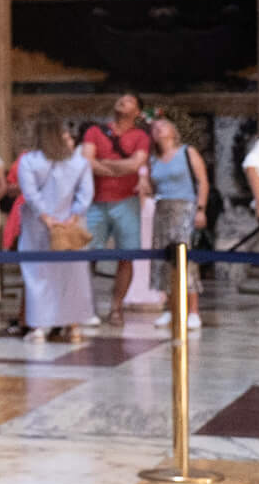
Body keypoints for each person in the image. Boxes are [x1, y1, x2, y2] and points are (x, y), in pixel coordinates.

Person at [16, 115, 94, 343]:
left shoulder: (29, 161)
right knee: (72, 276)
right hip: (70, 225)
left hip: (39, 227)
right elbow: (86, 193)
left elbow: (30, 194)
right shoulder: (79, 163)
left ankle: (38, 326)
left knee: (38, 275)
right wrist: (73, 216)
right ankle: (74, 326)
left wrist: (46, 217)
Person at [79, 93, 152, 324]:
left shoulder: (141, 136)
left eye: (129, 100)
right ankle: (86, 307)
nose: (122, 101)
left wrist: (107, 164)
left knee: (126, 256)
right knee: (87, 256)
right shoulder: (95, 132)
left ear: (138, 112)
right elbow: (86, 161)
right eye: (121, 99)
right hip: (95, 201)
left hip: (126, 201)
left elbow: (136, 163)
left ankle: (116, 307)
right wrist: (119, 168)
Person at [146, 116, 208, 333]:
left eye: (162, 125)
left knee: (185, 257)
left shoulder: (187, 152)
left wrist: (201, 209)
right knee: (164, 259)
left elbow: (202, 181)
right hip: (162, 209)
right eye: (154, 127)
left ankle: (193, 311)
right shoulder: (152, 159)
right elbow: (152, 187)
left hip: (185, 208)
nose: (158, 129)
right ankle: (170, 306)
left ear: (173, 131)